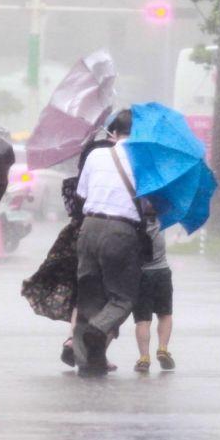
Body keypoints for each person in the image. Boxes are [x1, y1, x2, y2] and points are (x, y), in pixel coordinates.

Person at [20, 130, 117, 369]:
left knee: (80, 297)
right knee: (110, 298)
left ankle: (73, 340)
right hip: (103, 238)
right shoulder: (108, 182)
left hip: (74, 240)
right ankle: (98, 352)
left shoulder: (74, 184)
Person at [71, 109, 141, 377]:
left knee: (87, 297)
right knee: (122, 298)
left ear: (114, 132)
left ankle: (87, 363)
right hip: (120, 231)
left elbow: (82, 193)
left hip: (89, 227)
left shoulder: (95, 154)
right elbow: (148, 203)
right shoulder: (142, 159)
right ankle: (98, 331)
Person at [132, 207, 175, 372]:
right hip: (162, 271)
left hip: (141, 274)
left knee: (143, 320)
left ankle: (144, 358)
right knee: (165, 314)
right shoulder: (161, 217)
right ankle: (162, 348)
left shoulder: (132, 220)